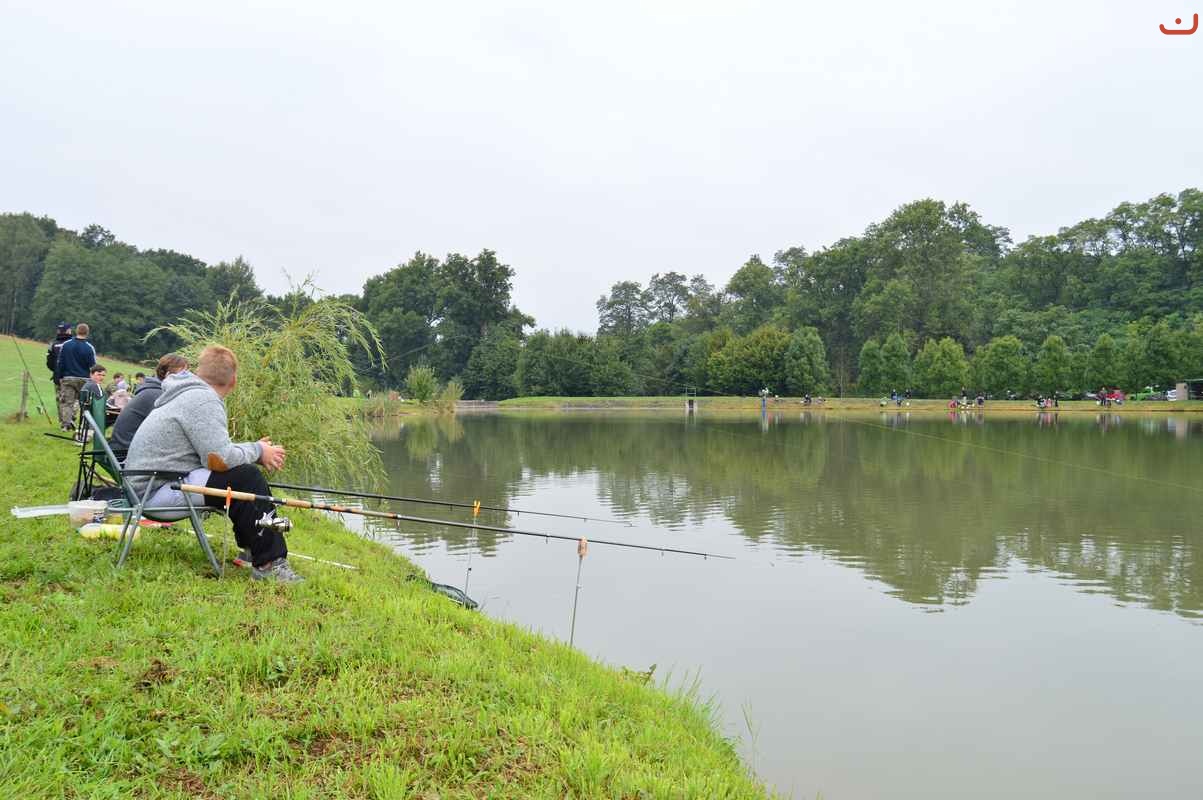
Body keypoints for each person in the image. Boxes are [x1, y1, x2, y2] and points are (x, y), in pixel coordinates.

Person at [124, 345, 298, 582]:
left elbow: (215, 453)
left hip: (149, 483)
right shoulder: (204, 400)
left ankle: (252, 550)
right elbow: (220, 459)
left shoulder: (189, 393)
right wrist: (258, 450)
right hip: (154, 492)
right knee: (247, 477)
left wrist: (255, 450)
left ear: (199, 372)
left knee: (241, 476)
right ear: (233, 381)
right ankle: (270, 564)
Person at [110, 354, 188, 450]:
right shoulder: (156, 394)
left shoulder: (154, 390)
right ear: (168, 375)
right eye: (183, 373)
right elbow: (171, 429)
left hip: (130, 447)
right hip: (125, 452)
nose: (187, 378)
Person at [53, 322, 97, 431]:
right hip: (84, 379)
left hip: (68, 378)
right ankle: (82, 424)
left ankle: (65, 425)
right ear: (87, 333)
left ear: (76, 331)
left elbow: (60, 362)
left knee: (67, 402)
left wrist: (59, 376)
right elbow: (93, 366)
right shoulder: (89, 348)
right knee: (84, 403)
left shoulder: (66, 345)